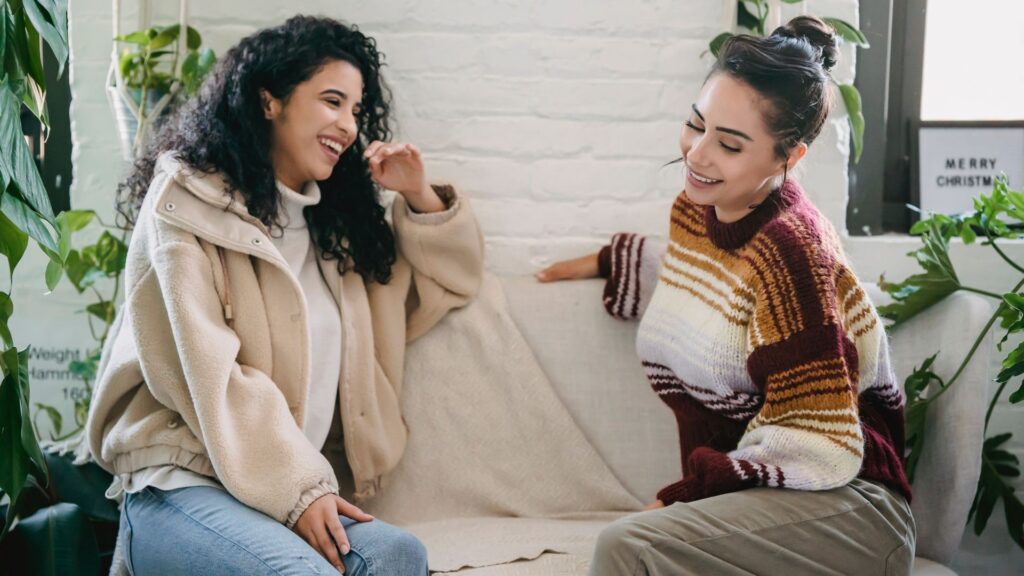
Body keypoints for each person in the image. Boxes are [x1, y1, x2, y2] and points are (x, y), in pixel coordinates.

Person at [86, 15, 483, 575]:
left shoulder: (338, 239)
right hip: (182, 481)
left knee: (400, 555)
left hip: (278, 496)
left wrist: (418, 195)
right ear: (270, 100)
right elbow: (209, 374)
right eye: (331, 101)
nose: (348, 125)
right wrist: (299, 488)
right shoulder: (186, 205)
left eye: (354, 109)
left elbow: (450, 284)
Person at [538, 16, 915, 576]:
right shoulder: (701, 207)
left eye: (730, 144)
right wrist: (602, 262)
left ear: (789, 159)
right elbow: (709, 283)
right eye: (696, 124)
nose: (697, 154)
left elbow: (811, 436)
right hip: (771, 498)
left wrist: (685, 494)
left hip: (848, 508)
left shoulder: (793, 253)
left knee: (627, 547)